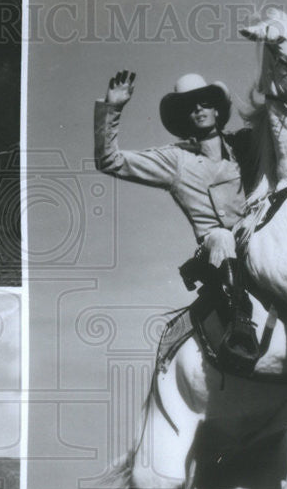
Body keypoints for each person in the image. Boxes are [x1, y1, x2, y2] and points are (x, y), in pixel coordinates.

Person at [94, 70, 261, 374]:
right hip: (217, 248)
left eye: (204, 102)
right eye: (190, 106)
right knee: (222, 238)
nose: (198, 109)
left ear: (217, 109)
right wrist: (113, 107)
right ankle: (240, 326)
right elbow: (110, 161)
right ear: (184, 117)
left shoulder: (244, 147)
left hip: (255, 233)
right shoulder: (175, 159)